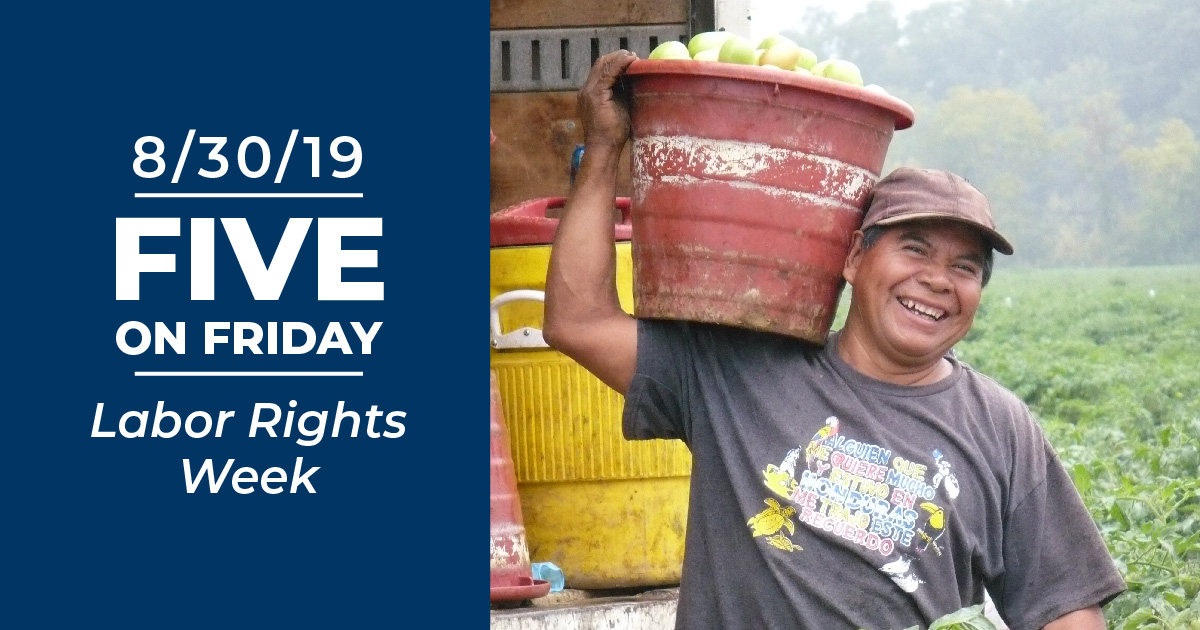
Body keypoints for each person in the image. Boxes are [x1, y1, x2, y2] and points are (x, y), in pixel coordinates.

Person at [543, 49, 1126, 630]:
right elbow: (578, 321)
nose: (936, 280)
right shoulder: (739, 371)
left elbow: (1067, 610)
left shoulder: (1000, 428)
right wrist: (603, 149)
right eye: (914, 249)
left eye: (965, 267)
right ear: (853, 258)